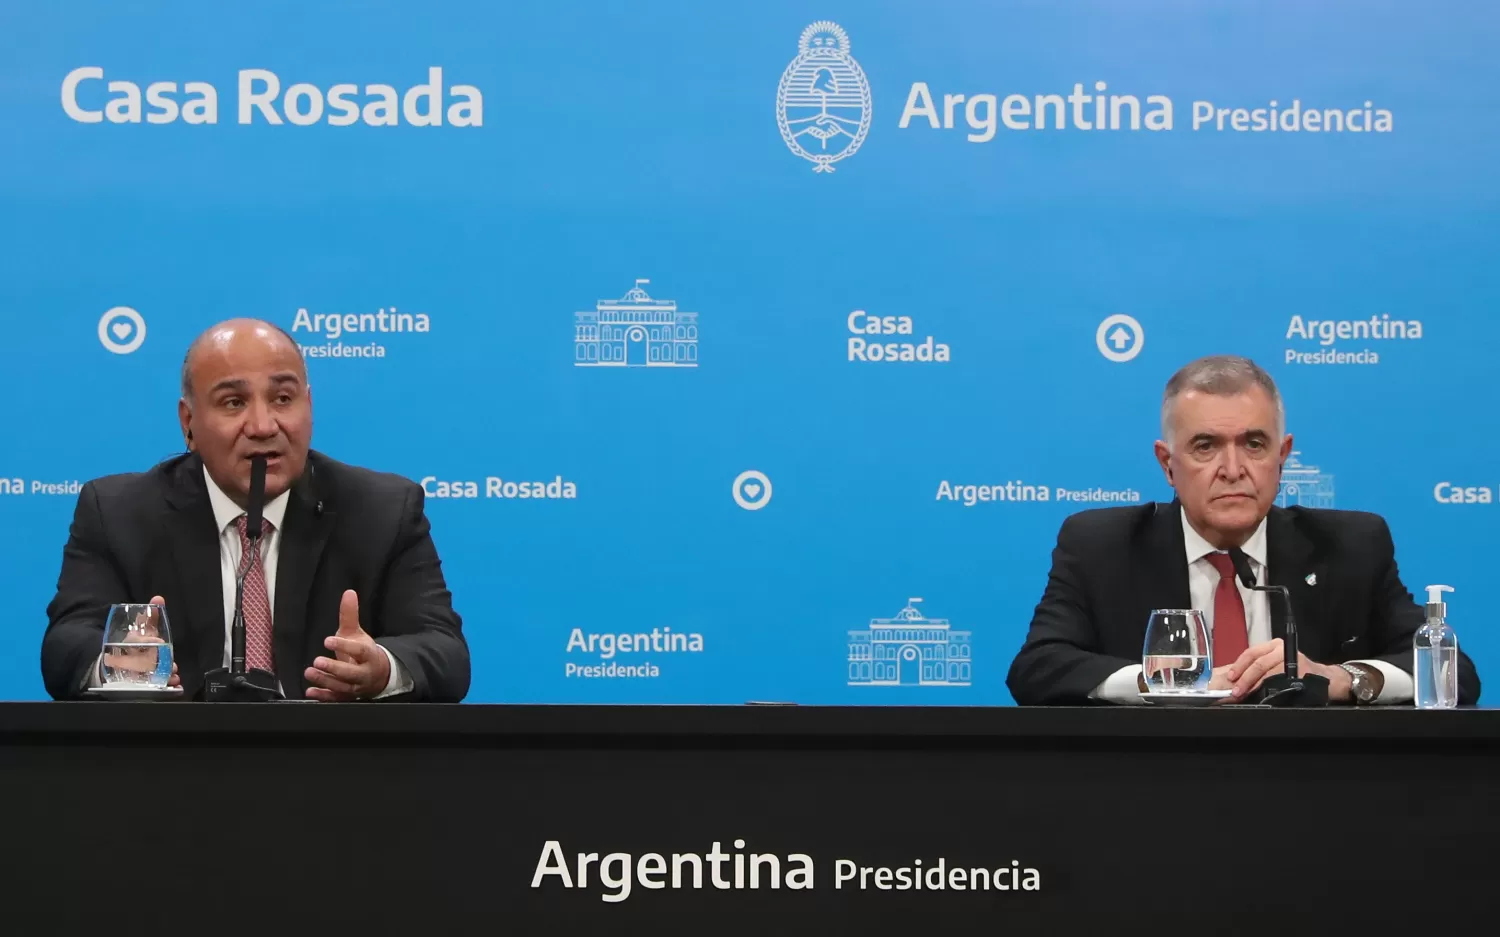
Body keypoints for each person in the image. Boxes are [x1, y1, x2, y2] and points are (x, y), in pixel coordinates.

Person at [1007, 354, 1480, 706]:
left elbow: (1454, 672)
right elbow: (1036, 668)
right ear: (1168, 465)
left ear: (1282, 456)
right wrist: (1160, 684)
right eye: (1206, 446)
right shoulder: (1101, 546)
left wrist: (1346, 678)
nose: (1232, 469)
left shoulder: (1351, 546)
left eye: (1253, 444)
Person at [41, 319, 470, 702]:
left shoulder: (382, 510)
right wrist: (117, 665)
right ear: (188, 423)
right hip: (172, 766)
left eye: (283, 398)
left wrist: (381, 668)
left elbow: (444, 651)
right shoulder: (120, 513)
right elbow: (66, 644)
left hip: (333, 769)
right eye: (233, 403)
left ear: (309, 405)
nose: (264, 426)